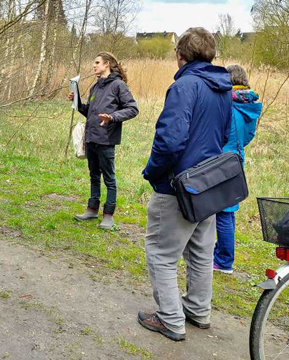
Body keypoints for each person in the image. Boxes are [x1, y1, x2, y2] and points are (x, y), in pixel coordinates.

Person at [138, 27, 232, 341]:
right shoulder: (223, 88)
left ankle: (170, 319)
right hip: (210, 183)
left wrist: (152, 172)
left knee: (161, 254)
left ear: (181, 56)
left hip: (178, 186)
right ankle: (198, 310)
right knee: (202, 252)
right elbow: (223, 136)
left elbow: (169, 142)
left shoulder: (185, 86)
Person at [69, 52, 139, 229]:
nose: (94, 66)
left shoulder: (118, 85)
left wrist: (113, 117)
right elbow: (89, 112)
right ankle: (92, 210)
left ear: (107, 64)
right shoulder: (95, 87)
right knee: (94, 175)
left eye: (97, 62)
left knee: (109, 178)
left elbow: (133, 109)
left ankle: (108, 215)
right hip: (91, 138)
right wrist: (77, 103)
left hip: (106, 139)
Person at [213, 65, 262, 274]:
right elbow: (248, 137)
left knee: (223, 214)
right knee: (229, 212)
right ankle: (222, 255)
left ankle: (224, 261)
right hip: (236, 162)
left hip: (222, 162)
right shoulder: (249, 105)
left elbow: (219, 133)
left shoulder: (229, 105)